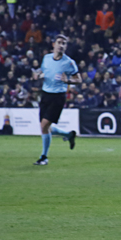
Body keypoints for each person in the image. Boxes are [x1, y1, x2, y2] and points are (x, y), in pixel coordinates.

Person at [31, 35, 80, 165]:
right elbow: (44, 71)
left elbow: (79, 79)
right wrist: (38, 75)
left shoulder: (69, 62)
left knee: (44, 125)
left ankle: (44, 157)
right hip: (45, 94)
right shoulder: (46, 58)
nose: (61, 45)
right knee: (45, 127)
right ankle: (69, 135)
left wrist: (68, 80)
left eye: (64, 43)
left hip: (58, 96)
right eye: (59, 42)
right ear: (54, 44)